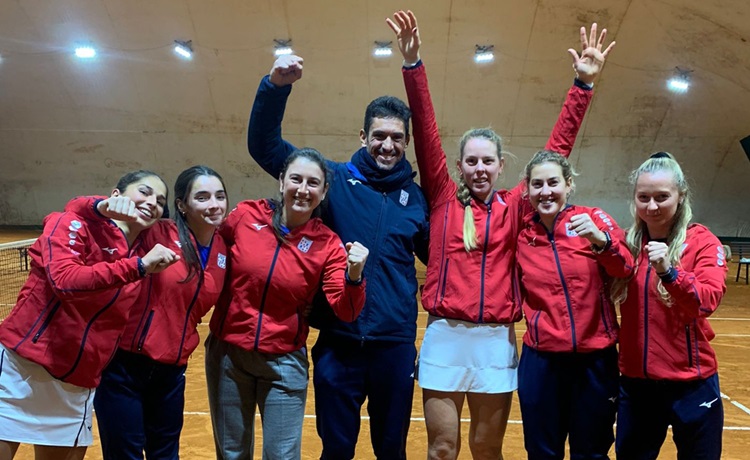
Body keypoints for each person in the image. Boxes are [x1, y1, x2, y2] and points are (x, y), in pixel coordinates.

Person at [387, 10, 612, 459]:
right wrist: (413, 64)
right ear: (459, 167)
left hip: (494, 341)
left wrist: (582, 86)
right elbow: (427, 129)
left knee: (487, 447)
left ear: (501, 167)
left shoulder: (517, 207)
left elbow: (556, 152)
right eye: (471, 161)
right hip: (445, 337)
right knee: (443, 449)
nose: (479, 168)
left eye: (487, 161)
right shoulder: (443, 199)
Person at [247, 51, 430, 459]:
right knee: (337, 451)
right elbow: (266, 147)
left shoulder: (416, 200)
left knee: (391, 450)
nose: (387, 145)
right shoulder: (333, 181)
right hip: (338, 345)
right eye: (379, 136)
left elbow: (441, 257)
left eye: (397, 138)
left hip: (394, 347)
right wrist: (275, 87)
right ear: (362, 137)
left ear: (407, 142)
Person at [0, 170, 178, 460]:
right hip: (20, 370)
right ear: (116, 195)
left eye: (160, 200)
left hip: (76, 383)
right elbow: (65, 280)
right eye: (144, 192)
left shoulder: (143, 248)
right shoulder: (72, 223)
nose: (152, 202)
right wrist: (98, 208)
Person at [205, 148, 369, 460]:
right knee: (231, 453)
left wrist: (355, 276)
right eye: (296, 179)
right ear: (281, 182)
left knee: (281, 456)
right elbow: (210, 254)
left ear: (323, 192)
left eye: (313, 183)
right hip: (228, 356)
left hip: (283, 363)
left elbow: (345, 309)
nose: (303, 189)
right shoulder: (245, 216)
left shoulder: (328, 244)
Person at [65, 166, 230, 459]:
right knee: (124, 455)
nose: (213, 204)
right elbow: (79, 212)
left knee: (165, 455)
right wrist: (101, 205)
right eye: (202, 197)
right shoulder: (155, 232)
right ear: (181, 205)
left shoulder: (223, 248)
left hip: (171, 372)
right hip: (123, 368)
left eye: (219, 196)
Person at [515, 151, 633, 459]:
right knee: (542, 452)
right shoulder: (522, 233)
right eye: (537, 184)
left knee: (591, 452)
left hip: (595, 361)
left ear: (569, 185)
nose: (545, 191)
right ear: (527, 190)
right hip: (542, 362)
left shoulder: (593, 218)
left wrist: (600, 241)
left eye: (553, 182)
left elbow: (625, 267)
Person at [613, 152, 727, 460]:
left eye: (662, 197)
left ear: (681, 196)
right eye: (644, 197)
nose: (652, 206)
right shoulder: (627, 246)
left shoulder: (702, 242)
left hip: (692, 385)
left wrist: (670, 272)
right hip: (637, 386)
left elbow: (706, 301)